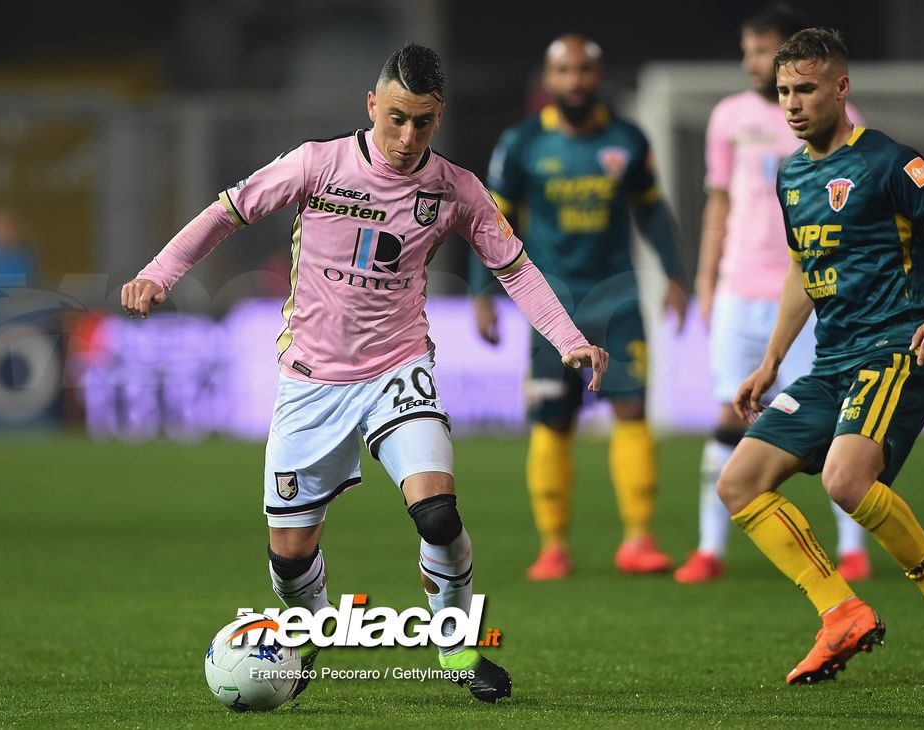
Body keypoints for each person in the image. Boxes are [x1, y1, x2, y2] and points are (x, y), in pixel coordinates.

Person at [121, 44, 608, 703]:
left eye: (425, 122)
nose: (409, 138)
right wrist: (158, 273)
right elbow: (225, 213)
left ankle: (459, 648)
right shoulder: (316, 164)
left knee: (437, 512)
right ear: (372, 106)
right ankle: (312, 628)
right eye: (398, 119)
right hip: (311, 380)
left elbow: (514, 268)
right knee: (290, 557)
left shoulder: (457, 188)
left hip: (398, 367)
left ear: (439, 118)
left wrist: (569, 339)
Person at [719, 27, 924, 685]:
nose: (791, 103)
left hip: (897, 347)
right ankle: (840, 612)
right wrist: (771, 359)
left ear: (841, 88)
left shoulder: (890, 162)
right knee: (739, 481)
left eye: (806, 89)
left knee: (846, 480)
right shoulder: (790, 174)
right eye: (784, 90)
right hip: (832, 361)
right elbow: (801, 269)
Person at [469, 35, 687, 580]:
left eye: (585, 70)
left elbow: (653, 212)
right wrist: (482, 291)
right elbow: (492, 222)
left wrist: (675, 275)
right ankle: (553, 547)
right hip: (550, 302)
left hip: (618, 296)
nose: (575, 81)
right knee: (553, 419)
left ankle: (638, 538)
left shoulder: (627, 139)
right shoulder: (520, 144)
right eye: (564, 71)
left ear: (598, 75)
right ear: (549, 80)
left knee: (632, 411)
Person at [676, 4, 871, 584]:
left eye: (762, 52)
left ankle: (853, 548)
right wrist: (708, 281)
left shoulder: (842, 121)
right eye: (749, 52)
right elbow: (719, 201)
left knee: (841, 419)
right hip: (740, 288)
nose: (752, 63)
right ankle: (710, 549)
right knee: (726, 416)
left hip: (816, 293)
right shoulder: (727, 117)